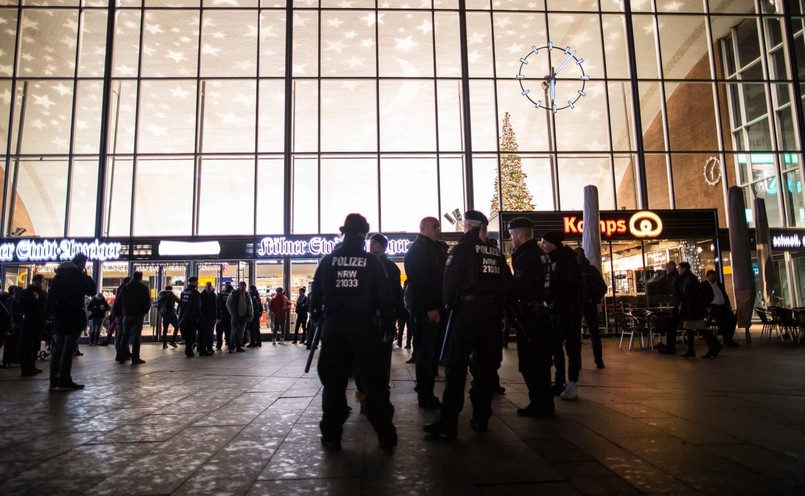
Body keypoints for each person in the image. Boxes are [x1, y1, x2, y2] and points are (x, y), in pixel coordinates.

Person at [310, 213, 396, 450]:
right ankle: (385, 435)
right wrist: (388, 326)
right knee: (375, 384)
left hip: (334, 328)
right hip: (364, 328)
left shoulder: (328, 261)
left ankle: (331, 435)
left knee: (333, 384)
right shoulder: (372, 262)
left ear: (344, 232)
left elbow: (314, 300)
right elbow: (385, 298)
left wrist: (321, 320)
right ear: (363, 234)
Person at [423, 210, 511, 438]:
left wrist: (449, 307)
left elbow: (449, 283)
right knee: (485, 369)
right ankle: (481, 417)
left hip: (466, 314)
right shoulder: (497, 253)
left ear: (469, 226)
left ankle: (449, 421)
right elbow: (507, 284)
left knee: (456, 368)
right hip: (491, 316)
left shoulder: (462, 250)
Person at [506, 217, 554, 418]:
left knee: (531, 361)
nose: (510, 238)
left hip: (530, 315)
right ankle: (545, 401)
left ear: (519, 233)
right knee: (541, 360)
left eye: (511, 234)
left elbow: (520, 287)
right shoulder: (541, 254)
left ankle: (539, 402)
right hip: (541, 312)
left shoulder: (526, 256)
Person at [403, 216, 446, 410]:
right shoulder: (419, 250)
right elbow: (421, 282)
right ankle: (425, 395)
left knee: (429, 352)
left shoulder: (430, 248)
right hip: (427, 310)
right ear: (424, 228)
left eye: (439, 226)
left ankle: (426, 391)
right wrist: (429, 307)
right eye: (435, 226)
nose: (439, 229)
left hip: (433, 308)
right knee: (425, 352)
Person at [540, 230, 583, 401]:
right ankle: (560, 382)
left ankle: (571, 382)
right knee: (556, 347)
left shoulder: (565, 261)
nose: (542, 245)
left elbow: (568, 288)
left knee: (570, 348)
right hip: (558, 311)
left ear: (553, 243)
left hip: (567, 312)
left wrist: (556, 303)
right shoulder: (554, 260)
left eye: (544, 242)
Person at [47, 253, 96, 390]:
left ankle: (53, 379)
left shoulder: (58, 276)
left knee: (58, 348)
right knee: (69, 349)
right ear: (81, 263)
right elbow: (91, 290)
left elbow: (51, 297)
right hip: (74, 315)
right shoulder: (78, 275)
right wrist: (86, 275)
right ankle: (65, 379)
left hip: (60, 316)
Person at [369, 232, 402, 383]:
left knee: (381, 352)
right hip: (373, 315)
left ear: (381, 246)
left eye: (374, 243)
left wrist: (395, 315)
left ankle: (380, 384)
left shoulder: (389, 267)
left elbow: (395, 293)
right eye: (370, 242)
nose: (371, 245)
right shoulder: (367, 263)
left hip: (381, 315)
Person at [678, 262, 722, 358]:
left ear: (684, 269)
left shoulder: (690, 279)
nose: (678, 270)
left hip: (693, 309)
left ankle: (714, 346)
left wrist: (703, 306)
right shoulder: (689, 278)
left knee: (700, 328)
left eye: (679, 268)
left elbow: (697, 294)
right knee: (691, 328)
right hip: (692, 308)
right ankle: (692, 349)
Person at [575, 247, 609, 369]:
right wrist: (595, 298)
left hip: (577, 305)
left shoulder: (574, 270)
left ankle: (577, 362)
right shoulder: (592, 269)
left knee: (575, 334)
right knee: (594, 333)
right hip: (590, 304)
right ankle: (599, 360)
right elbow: (603, 288)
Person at [18, 274, 48, 377]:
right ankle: (26, 368)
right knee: (27, 346)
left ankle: (32, 365)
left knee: (35, 346)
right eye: (37, 281)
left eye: (41, 281)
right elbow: (23, 306)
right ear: (33, 281)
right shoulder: (26, 292)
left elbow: (45, 306)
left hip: (38, 322)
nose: (39, 282)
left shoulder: (42, 293)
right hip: (29, 322)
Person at [119, 271, 151, 365]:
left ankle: (122, 356)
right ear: (140, 277)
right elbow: (147, 301)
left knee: (125, 336)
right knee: (136, 335)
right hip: (138, 314)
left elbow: (119, 300)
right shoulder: (142, 287)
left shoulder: (125, 287)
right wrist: (144, 311)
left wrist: (123, 311)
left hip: (127, 314)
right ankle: (135, 358)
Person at [702, 269, 739, 347]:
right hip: (714, 307)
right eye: (711, 276)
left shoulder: (719, 284)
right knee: (721, 323)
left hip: (723, 306)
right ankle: (728, 340)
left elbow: (725, 295)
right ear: (707, 277)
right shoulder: (704, 285)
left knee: (733, 320)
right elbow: (703, 297)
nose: (713, 278)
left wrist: (728, 304)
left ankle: (728, 338)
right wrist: (707, 306)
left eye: (714, 277)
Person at [655, 261, 680, 354]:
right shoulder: (674, 277)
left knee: (671, 326)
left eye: (667, 267)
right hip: (678, 304)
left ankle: (670, 348)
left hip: (679, 305)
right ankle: (670, 348)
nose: (666, 269)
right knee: (672, 326)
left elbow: (677, 292)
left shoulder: (675, 278)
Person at [226, 281, 253, 353]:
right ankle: (231, 346)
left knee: (241, 332)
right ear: (239, 286)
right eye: (242, 285)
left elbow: (250, 304)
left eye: (245, 285)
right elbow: (228, 304)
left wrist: (251, 313)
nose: (244, 287)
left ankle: (238, 346)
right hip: (235, 315)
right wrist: (232, 313)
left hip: (244, 316)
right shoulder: (234, 293)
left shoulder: (247, 294)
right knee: (234, 331)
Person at [178, 277, 202, 358]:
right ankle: (198, 349)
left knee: (188, 334)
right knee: (196, 332)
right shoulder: (195, 293)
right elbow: (197, 306)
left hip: (185, 316)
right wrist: (200, 316)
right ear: (194, 282)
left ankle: (188, 350)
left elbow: (181, 305)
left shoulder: (184, 292)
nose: (197, 283)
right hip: (193, 316)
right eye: (196, 282)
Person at [199, 282, 218, 356]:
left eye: (210, 287)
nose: (209, 289)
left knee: (210, 333)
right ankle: (202, 349)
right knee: (203, 334)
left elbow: (217, 307)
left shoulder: (214, 296)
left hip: (211, 318)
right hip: (203, 317)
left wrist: (217, 316)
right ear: (205, 287)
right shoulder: (201, 296)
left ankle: (209, 348)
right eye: (208, 287)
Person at [216, 282, 233, 351]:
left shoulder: (220, 295)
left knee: (219, 331)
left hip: (221, 315)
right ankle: (229, 344)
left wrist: (217, 316)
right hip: (229, 315)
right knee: (228, 331)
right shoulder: (231, 295)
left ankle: (219, 345)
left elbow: (217, 305)